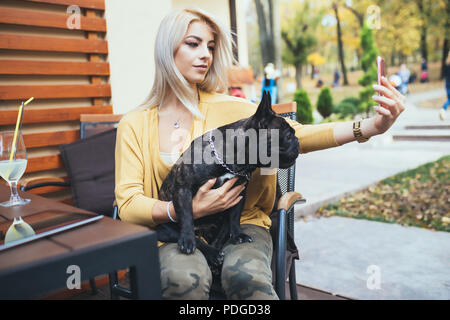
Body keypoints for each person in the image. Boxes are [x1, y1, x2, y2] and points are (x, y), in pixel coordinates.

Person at [115, 8, 406, 300]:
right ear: (167, 49)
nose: (206, 54)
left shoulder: (235, 108)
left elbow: (299, 136)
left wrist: (371, 126)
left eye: (211, 47)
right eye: (194, 43)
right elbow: (127, 203)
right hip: (177, 232)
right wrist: (183, 210)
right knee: (183, 281)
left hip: (243, 224)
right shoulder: (135, 124)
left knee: (245, 278)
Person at [439, 54, 450, 120]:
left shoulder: (446, 64)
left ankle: (443, 110)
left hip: (447, 83)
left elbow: (445, 76)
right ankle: (443, 109)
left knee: (449, 98)